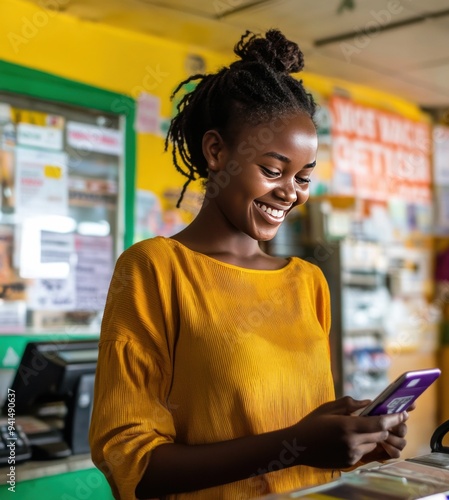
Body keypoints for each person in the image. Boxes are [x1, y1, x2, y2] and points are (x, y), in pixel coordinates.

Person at [89, 29, 410, 500]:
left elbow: (295, 435)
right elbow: (133, 465)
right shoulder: (155, 270)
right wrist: (297, 444)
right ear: (216, 151)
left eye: (303, 177)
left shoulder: (308, 283)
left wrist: (357, 441)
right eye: (273, 170)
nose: (291, 192)